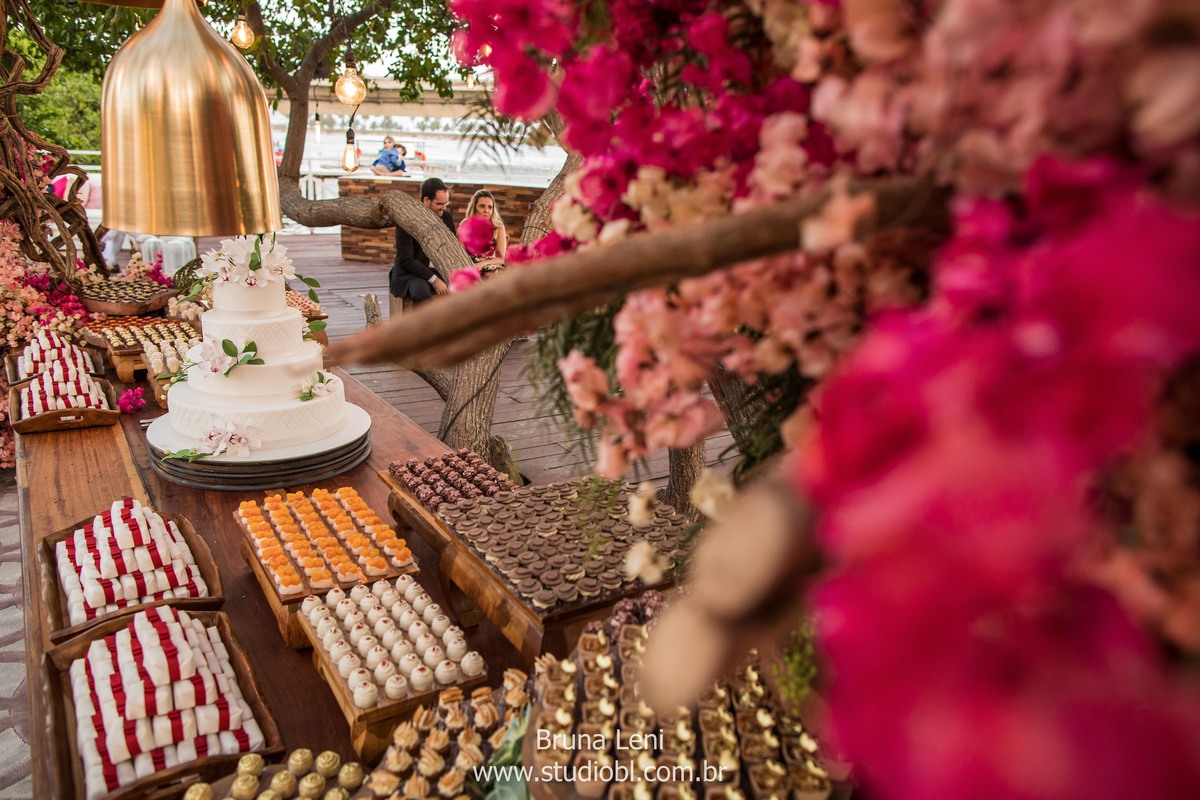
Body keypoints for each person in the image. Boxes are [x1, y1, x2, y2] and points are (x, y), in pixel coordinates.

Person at [390, 177, 454, 306]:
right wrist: (434, 280)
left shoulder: (446, 217)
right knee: (421, 291)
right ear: (426, 200)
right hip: (411, 273)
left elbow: (452, 247)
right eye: (439, 204)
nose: (444, 208)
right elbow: (406, 259)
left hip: (439, 270)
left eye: (446, 203)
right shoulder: (407, 220)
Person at [459, 189, 507, 271]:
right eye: (482, 206)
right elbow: (460, 255)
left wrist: (481, 265)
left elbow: (501, 258)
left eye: (490, 207)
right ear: (474, 207)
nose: (486, 211)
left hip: (491, 266)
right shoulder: (465, 225)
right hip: (469, 267)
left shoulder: (498, 227)